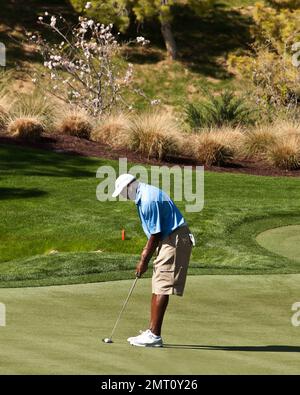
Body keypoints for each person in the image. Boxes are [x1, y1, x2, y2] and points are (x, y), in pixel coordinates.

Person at [112, 174, 194, 347]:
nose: (122, 196)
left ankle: (155, 336)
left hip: (174, 238)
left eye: (122, 192)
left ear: (130, 187)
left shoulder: (148, 199)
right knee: (158, 283)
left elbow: (155, 234)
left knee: (162, 284)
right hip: (168, 238)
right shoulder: (144, 195)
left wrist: (143, 260)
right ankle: (151, 331)